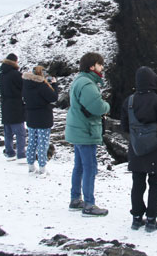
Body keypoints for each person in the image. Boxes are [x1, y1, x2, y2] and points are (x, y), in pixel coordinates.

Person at [120, 66, 157, 232]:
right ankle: (151, 220)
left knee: (138, 184)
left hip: (136, 149)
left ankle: (136, 219)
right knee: (155, 184)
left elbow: (125, 127)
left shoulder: (129, 101)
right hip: (155, 149)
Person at [65, 52, 110, 217]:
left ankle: (75, 199)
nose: (102, 67)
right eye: (100, 64)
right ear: (92, 66)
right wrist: (107, 106)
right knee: (90, 167)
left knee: (79, 166)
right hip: (86, 131)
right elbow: (97, 107)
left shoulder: (80, 80)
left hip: (78, 129)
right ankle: (89, 204)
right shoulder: (87, 84)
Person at [22, 65, 59, 175]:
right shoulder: (41, 86)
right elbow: (53, 97)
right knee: (43, 144)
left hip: (31, 117)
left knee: (32, 142)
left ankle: (30, 166)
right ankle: (42, 167)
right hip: (43, 118)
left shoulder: (26, 84)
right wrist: (54, 85)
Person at [0, 53, 27, 162]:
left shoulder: (1, 74)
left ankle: (9, 152)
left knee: (8, 131)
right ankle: (21, 154)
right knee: (20, 132)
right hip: (15, 105)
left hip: (5, 104)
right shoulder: (16, 74)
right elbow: (23, 88)